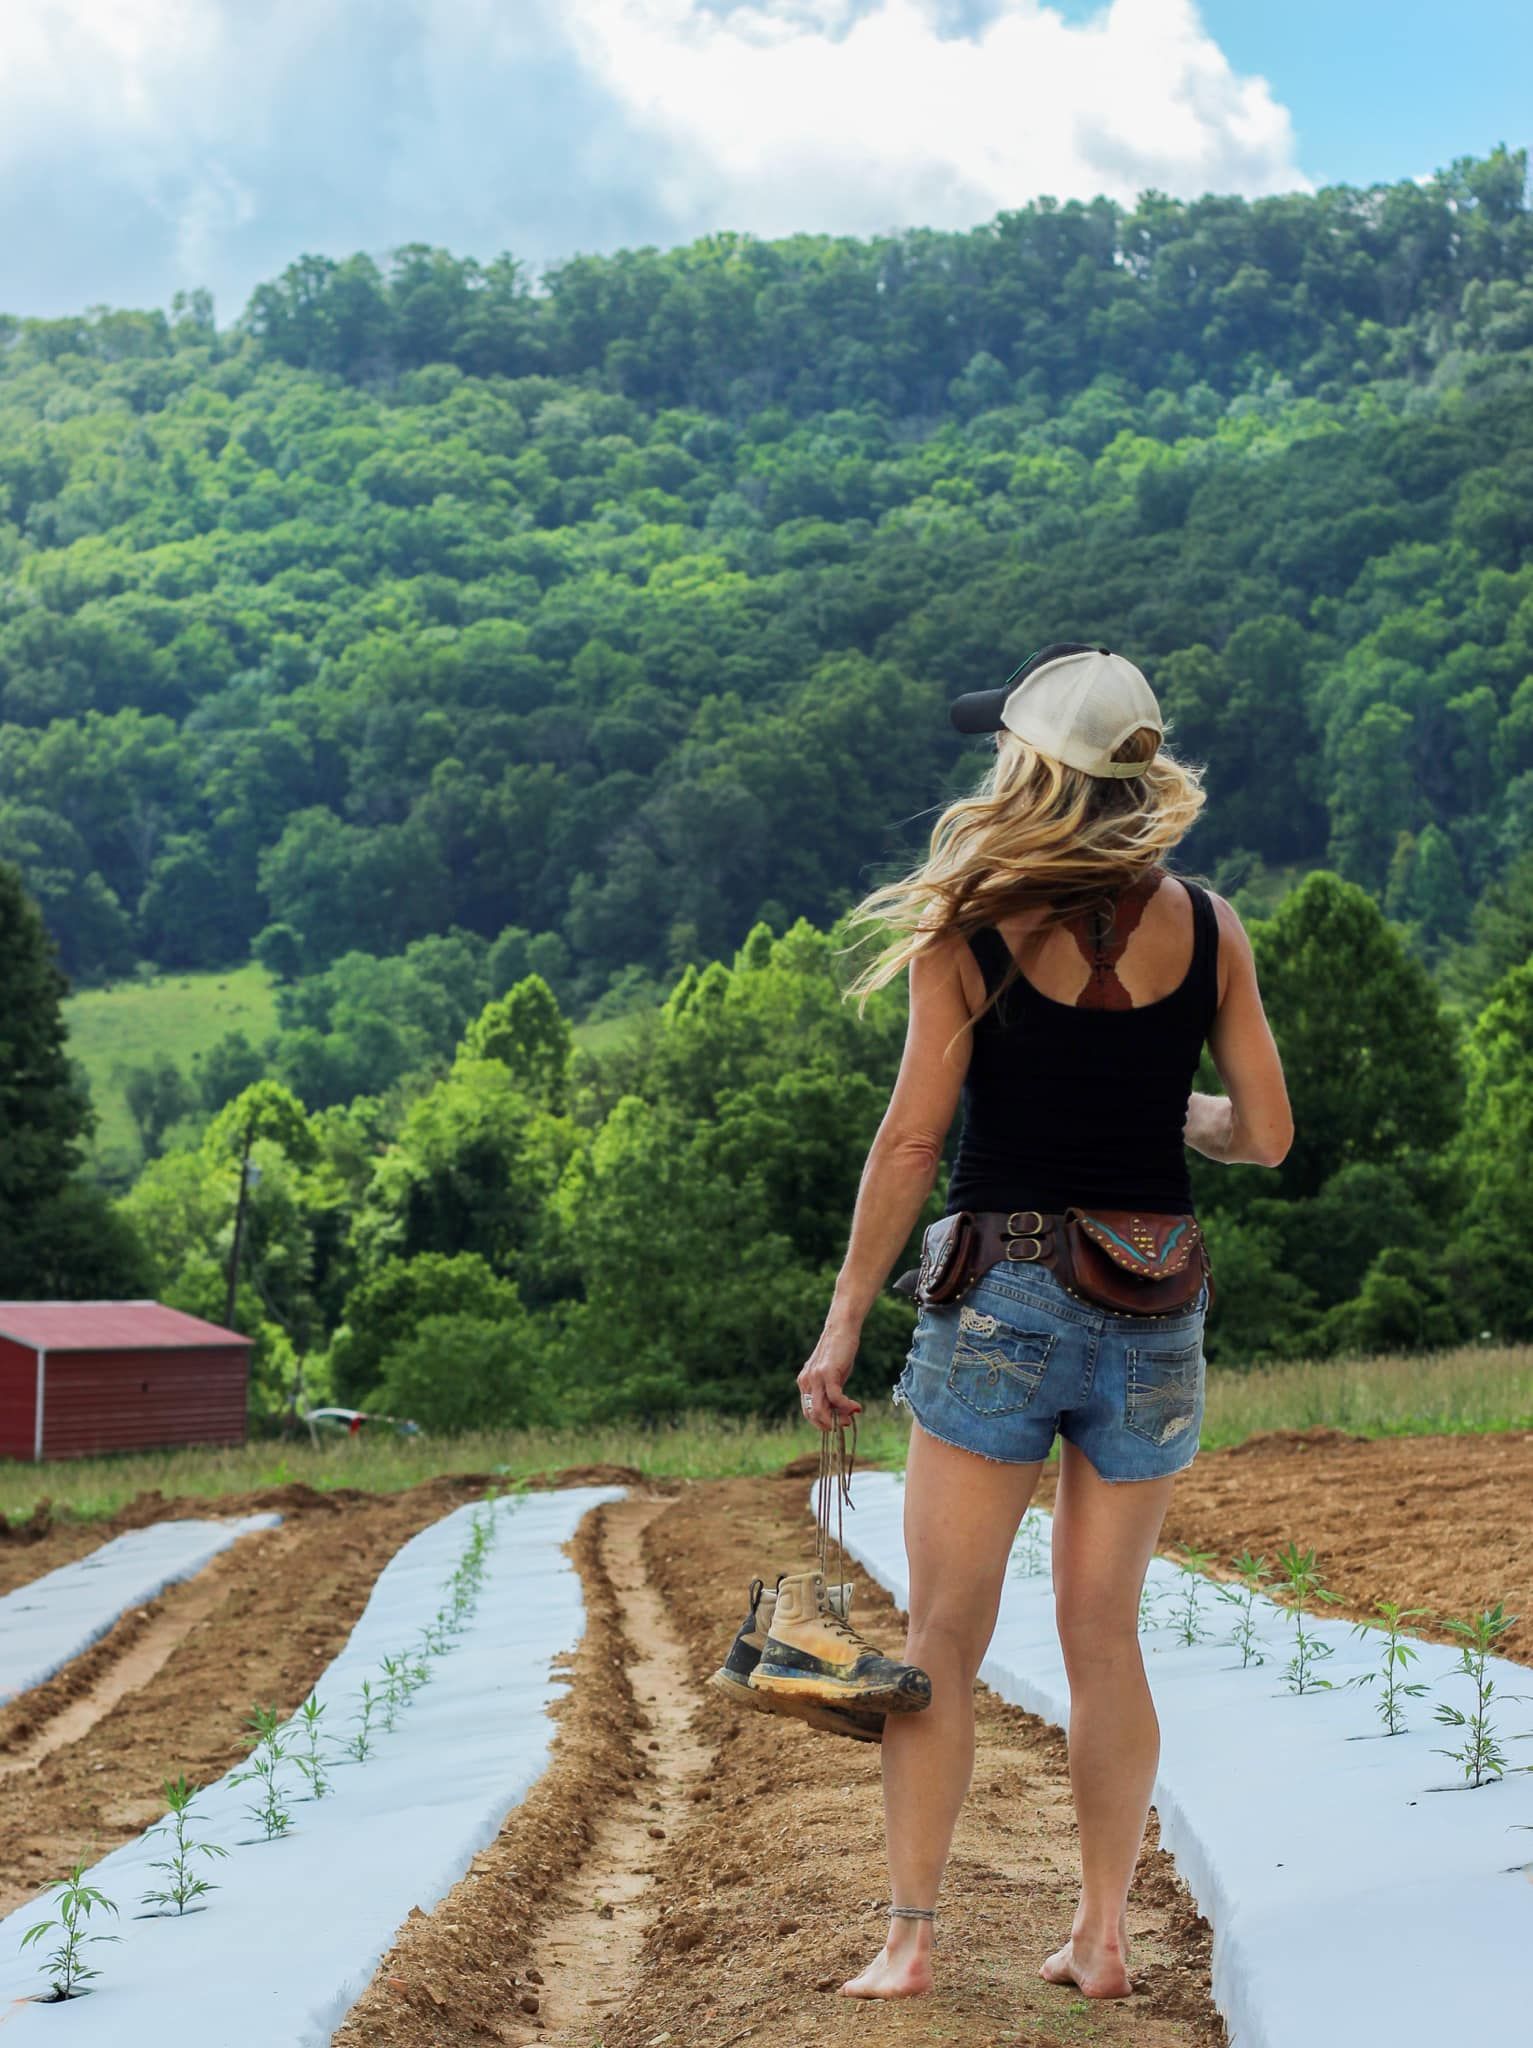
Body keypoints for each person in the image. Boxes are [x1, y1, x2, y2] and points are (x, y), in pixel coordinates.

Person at [794, 643, 1293, 2003]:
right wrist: (1176, 1113)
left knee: (942, 1639)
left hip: (999, 1298)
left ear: (1031, 768)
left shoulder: (968, 928)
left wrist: (842, 1323)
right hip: (1155, 1302)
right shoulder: (1212, 928)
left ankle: (908, 1943)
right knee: (1103, 1637)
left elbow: (911, 1145)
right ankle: (1101, 1936)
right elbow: (1263, 1133)